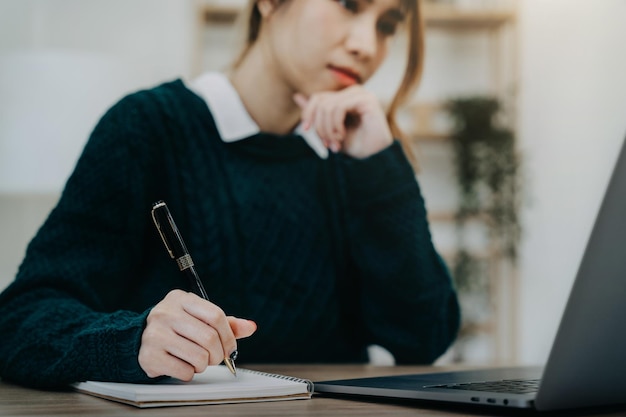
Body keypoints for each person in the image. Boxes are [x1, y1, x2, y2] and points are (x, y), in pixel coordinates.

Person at [0, 0, 460, 388]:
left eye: (387, 26)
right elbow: (20, 320)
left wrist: (380, 167)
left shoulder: (359, 159)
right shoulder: (146, 129)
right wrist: (131, 339)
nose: (366, 45)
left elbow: (425, 337)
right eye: (348, 4)